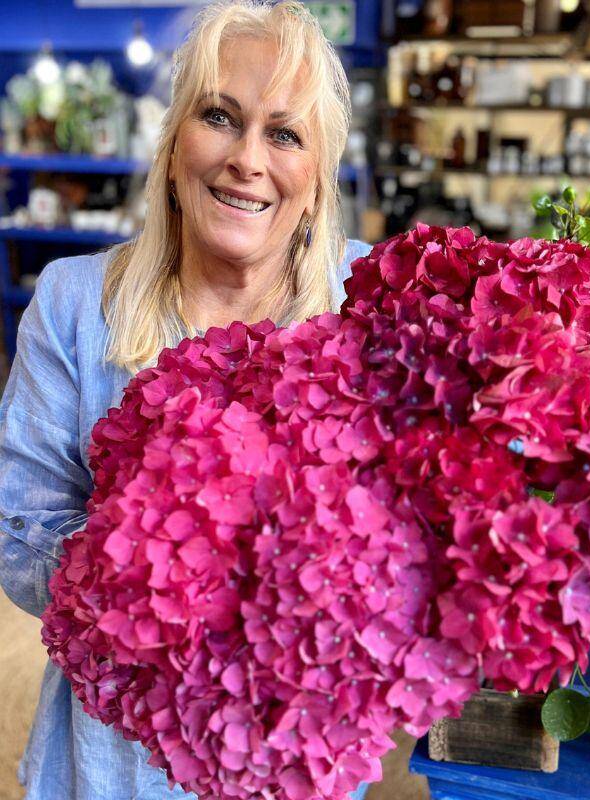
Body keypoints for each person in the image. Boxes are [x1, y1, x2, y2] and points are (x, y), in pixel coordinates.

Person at [0, 2, 372, 798]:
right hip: (111, 765)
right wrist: (163, 555)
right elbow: (18, 534)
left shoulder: (370, 307)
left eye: (284, 133)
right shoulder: (73, 304)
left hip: (296, 758)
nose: (247, 158)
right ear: (173, 148)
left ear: (315, 181)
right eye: (219, 116)